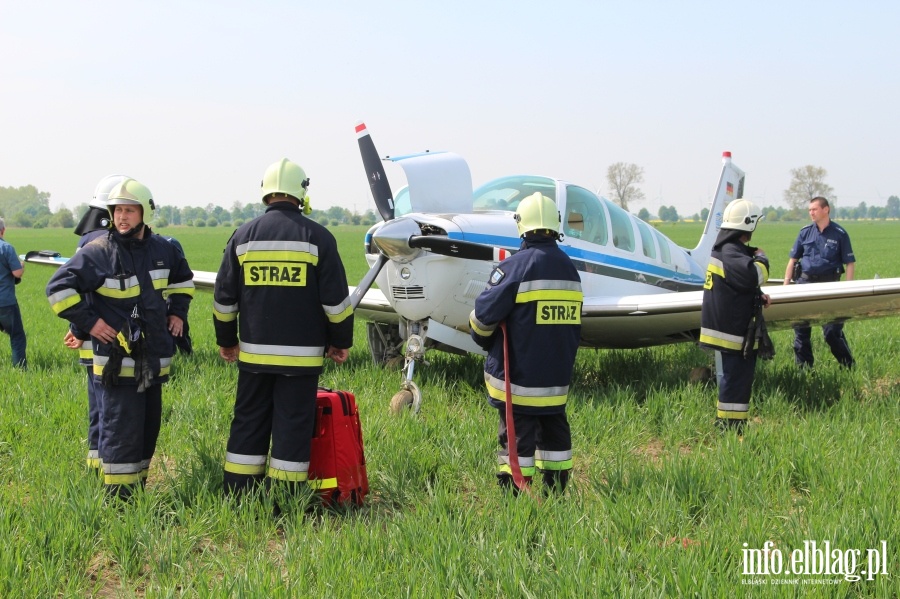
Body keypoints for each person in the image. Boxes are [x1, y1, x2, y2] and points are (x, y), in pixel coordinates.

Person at [214, 158, 353, 499]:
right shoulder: (318, 237)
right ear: (301, 193)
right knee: (293, 425)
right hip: (301, 360)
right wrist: (340, 342)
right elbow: (336, 304)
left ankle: (239, 495)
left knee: (248, 420)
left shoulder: (242, 237)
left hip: (254, 357)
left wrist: (227, 341)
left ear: (266, 193)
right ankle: (284, 501)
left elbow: (223, 300)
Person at [47, 178, 194, 499]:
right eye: (117, 211)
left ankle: (137, 491)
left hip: (153, 360)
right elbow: (57, 290)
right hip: (116, 362)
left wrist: (177, 313)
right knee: (119, 431)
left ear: (145, 213)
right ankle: (120, 505)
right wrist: (91, 323)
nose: (122, 217)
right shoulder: (99, 252)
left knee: (147, 430)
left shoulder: (164, 250)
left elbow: (183, 282)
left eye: (129, 210)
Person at [468, 192, 583, 494]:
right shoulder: (570, 270)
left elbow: (482, 318)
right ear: (555, 226)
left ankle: (514, 499)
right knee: (556, 440)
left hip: (518, 384)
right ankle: (557, 495)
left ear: (521, 225)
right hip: (556, 385)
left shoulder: (515, 268)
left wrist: (481, 339)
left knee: (517, 444)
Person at [64, 174, 129, 471]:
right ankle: (110, 467)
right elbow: (86, 292)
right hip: (105, 337)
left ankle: (95, 463)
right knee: (111, 408)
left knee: (98, 407)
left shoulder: (84, 242)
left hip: (90, 337)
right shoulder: (107, 243)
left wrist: (77, 328)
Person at [699, 199, 770, 431]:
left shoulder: (726, 251)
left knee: (734, 378)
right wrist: (762, 259)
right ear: (747, 225)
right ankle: (731, 428)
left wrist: (757, 295)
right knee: (736, 379)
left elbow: (735, 286)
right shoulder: (731, 253)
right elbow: (752, 276)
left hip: (726, 327)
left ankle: (728, 423)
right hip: (731, 330)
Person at [783, 196, 856, 368]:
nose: (811, 213)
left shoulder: (840, 234)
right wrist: (786, 286)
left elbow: (850, 263)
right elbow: (793, 260)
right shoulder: (805, 232)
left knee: (832, 332)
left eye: (814, 209)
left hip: (830, 287)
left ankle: (848, 366)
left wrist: (849, 288)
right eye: (809, 210)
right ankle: (804, 370)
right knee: (801, 331)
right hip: (804, 284)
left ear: (826, 209)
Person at [0, 216, 27, 369]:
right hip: (5, 302)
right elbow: (17, 273)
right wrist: (21, 266)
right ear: (3, 230)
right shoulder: (6, 248)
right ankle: (20, 369)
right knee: (17, 336)